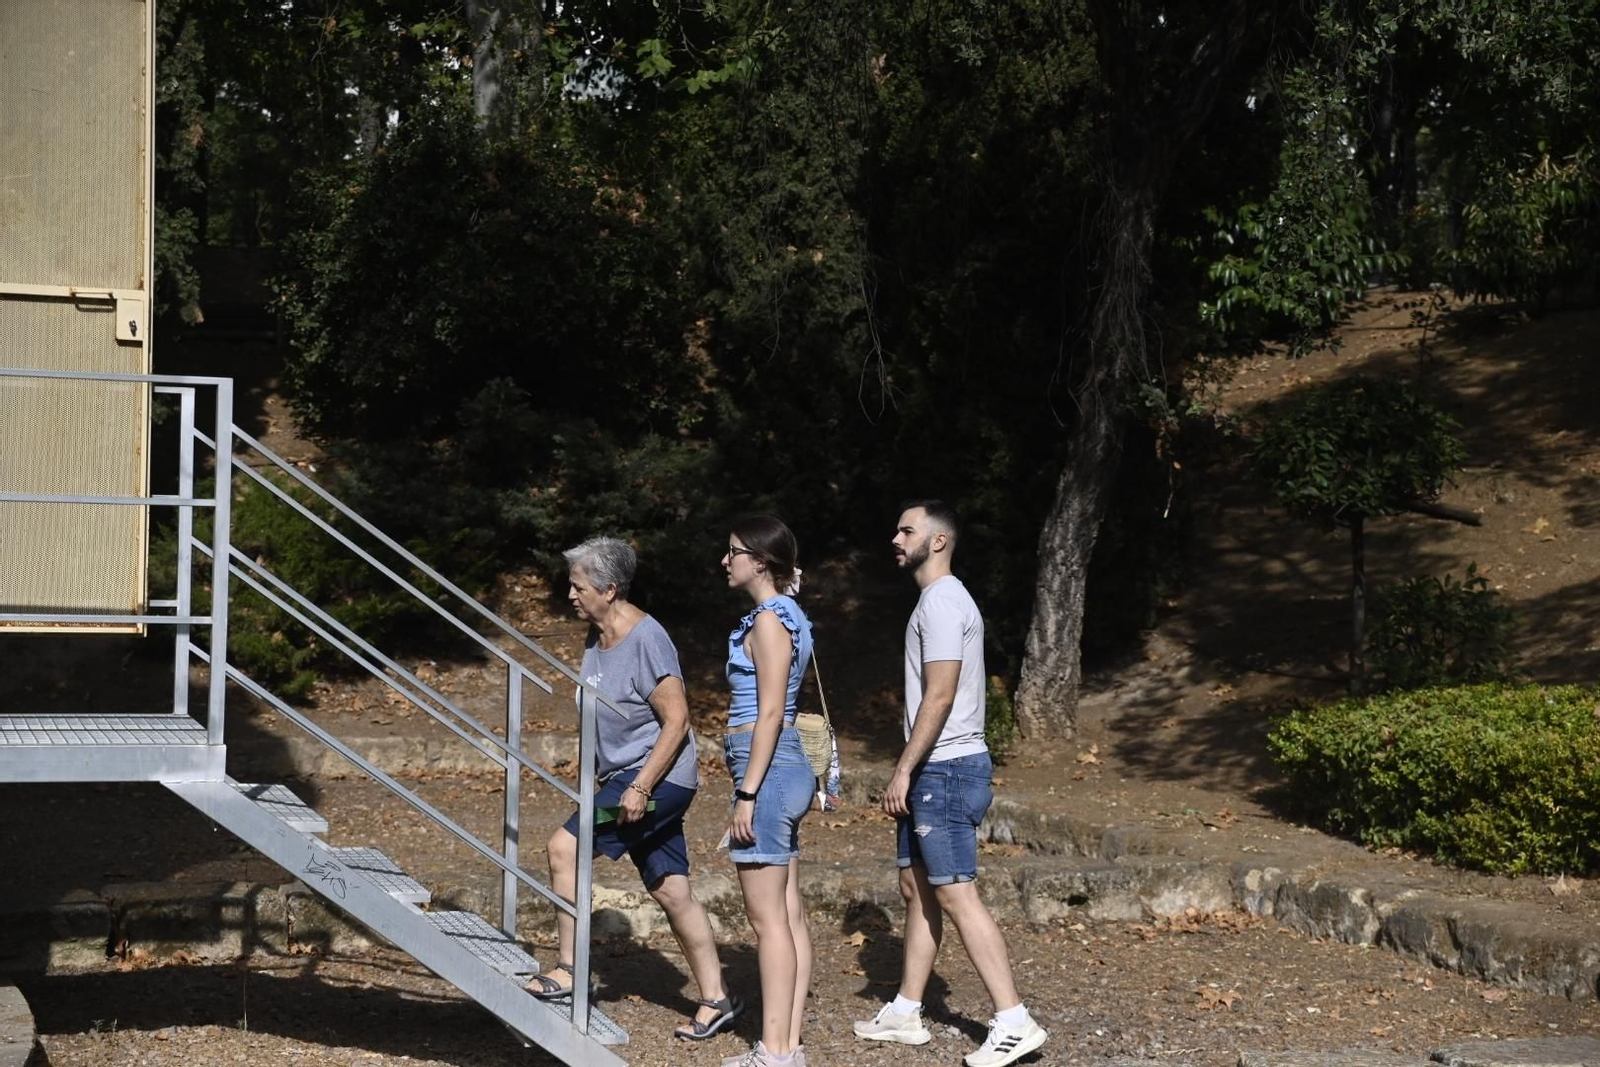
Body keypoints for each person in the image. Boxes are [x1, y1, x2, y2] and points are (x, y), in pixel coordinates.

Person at [853, 501, 1049, 1067]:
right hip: (937, 768)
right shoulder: (934, 601)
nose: (896, 537)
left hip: (946, 769)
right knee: (917, 887)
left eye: (906, 529)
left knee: (957, 891)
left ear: (938, 541)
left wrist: (904, 768)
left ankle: (1014, 1019)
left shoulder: (943, 601)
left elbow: (940, 694)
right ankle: (908, 1010)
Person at [524, 537, 741, 1042]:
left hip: (657, 782)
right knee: (671, 890)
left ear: (610, 588)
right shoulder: (596, 639)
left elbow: (678, 718)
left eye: (578, 586)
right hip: (626, 779)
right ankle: (718, 998)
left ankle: (569, 969)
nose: (571, 595)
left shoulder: (646, 638)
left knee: (564, 848)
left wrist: (640, 786)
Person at [719, 515, 817, 1067]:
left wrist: (748, 793)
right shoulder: (784, 615)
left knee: (768, 921)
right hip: (778, 767)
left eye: (732, 551)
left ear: (760, 559)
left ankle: (775, 1051)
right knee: (789, 913)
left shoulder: (770, 622)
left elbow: (774, 710)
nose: (725, 560)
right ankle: (787, 1044)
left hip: (769, 769)